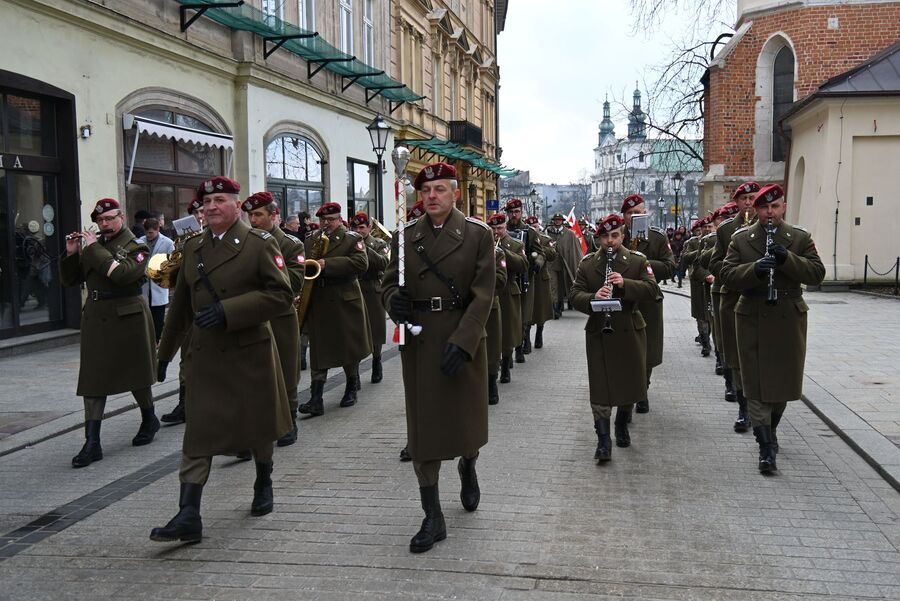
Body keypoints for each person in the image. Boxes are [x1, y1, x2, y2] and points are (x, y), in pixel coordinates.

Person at [151, 176, 293, 543]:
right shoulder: (194, 247)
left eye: (219, 200)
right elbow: (179, 308)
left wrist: (230, 310)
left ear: (236, 204)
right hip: (206, 355)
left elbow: (281, 295)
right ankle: (188, 513)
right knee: (198, 432)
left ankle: (264, 480)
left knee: (258, 425)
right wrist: (163, 354)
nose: (210, 207)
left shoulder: (258, 244)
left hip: (249, 352)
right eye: (206, 202)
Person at [382, 162, 495, 554]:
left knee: (464, 424)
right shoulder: (405, 237)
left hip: (461, 338)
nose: (431, 196)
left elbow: (483, 294)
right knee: (423, 432)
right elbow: (386, 284)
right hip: (420, 340)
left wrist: (464, 341)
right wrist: (392, 303)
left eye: (440, 190)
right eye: (425, 191)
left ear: (456, 193)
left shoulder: (477, 235)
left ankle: (468, 464)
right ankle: (432, 515)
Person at [721, 183, 825, 473]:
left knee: (782, 386)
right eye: (764, 208)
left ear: (784, 207)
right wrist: (754, 270)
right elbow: (727, 275)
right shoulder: (741, 239)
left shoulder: (800, 237)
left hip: (787, 318)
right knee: (754, 384)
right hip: (752, 316)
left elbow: (817, 273)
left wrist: (786, 259)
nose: (770, 213)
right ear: (755, 209)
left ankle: (771, 428)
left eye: (775, 207)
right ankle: (765, 448)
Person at [59, 198, 159, 468]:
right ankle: (92, 442)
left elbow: (124, 275)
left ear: (122, 217)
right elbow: (70, 280)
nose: (104, 224)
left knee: (137, 374)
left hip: (128, 316)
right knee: (92, 379)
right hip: (96, 317)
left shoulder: (137, 246)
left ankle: (149, 417)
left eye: (109, 219)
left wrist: (91, 249)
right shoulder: (96, 246)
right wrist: (71, 253)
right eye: (100, 221)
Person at [569, 214, 660, 463]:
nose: (610, 241)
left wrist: (625, 284)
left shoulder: (637, 261)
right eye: (605, 237)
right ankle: (603, 441)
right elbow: (574, 295)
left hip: (629, 328)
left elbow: (653, 290)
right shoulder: (588, 264)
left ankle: (621, 423)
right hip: (599, 331)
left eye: (615, 235)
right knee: (600, 386)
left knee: (630, 382)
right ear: (598, 238)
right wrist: (593, 297)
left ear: (623, 235)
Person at [243, 192, 306, 447]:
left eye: (258, 215)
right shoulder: (244, 243)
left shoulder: (292, 245)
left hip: (280, 316)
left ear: (274, 215)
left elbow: (294, 282)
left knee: (286, 369)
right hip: (251, 317)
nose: (253, 220)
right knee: (252, 374)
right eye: (250, 215)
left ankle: (290, 419)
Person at [297, 202, 371, 416]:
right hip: (319, 299)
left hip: (344, 299)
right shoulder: (311, 239)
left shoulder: (352, 239)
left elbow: (361, 264)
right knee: (319, 349)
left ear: (339, 219)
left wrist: (327, 265)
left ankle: (351, 387)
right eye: (323, 220)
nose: (326, 224)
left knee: (347, 347)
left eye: (330, 220)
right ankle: (316, 398)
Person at [711, 182, 760, 432]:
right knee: (738, 357)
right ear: (738, 202)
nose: (750, 203)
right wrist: (733, 274)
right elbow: (715, 262)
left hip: (762, 301)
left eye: (753, 198)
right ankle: (744, 409)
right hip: (732, 298)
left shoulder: (769, 228)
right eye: (745, 199)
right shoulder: (726, 229)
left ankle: (762, 410)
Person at [619, 194, 672, 413]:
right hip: (622, 299)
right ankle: (626, 391)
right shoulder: (615, 235)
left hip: (648, 300)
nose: (634, 216)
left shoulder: (657, 237)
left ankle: (643, 389)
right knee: (624, 348)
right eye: (630, 213)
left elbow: (670, 267)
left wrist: (643, 262)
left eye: (638, 212)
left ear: (645, 213)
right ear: (624, 216)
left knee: (646, 349)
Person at [160, 197, 205, 426]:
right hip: (187, 305)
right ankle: (184, 403)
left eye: (201, 212)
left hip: (208, 307)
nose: (199, 216)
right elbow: (173, 275)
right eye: (196, 213)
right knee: (185, 359)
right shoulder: (183, 240)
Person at [350, 212, 391, 383]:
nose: (359, 231)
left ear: (369, 228)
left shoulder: (379, 243)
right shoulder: (349, 243)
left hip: (373, 289)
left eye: (362, 227)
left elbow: (384, 263)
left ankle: (377, 361)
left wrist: (365, 249)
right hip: (355, 289)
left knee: (376, 329)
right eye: (356, 228)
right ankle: (355, 373)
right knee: (355, 332)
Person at [505, 199, 545, 361]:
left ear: (521, 212)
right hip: (508, 278)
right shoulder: (502, 230)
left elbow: (540, 253)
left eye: (517, 212)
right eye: (511, 212)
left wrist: (537, 264)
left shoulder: (530, 232)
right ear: (507, 213)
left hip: (526, 276)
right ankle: (509, 349)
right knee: (510, 315)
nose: (514, 215)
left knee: (524, 313)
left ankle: (521, 344)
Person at [489, 213, 526, 385]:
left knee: (508, 330)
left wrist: (504, 253)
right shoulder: (485, 243)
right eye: (494, 229)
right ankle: (494, 366)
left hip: (509, 291)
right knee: (494, 332)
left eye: (500, 228)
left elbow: (523, 265)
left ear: (505, 227)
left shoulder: (516, 244)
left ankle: (505, 366)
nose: (497, 232)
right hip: (493, 292)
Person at [136, 218, 175, 342]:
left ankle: (157, 340)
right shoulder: (139, 242)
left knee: (158, 317)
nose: (149, 235)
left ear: (158, 230)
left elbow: (173, 262)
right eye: (147, 233)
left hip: (159, 283)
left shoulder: (168, 243)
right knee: (145, 316)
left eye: (151, 233)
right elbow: (137, 260)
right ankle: (147, 340)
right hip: (144, 284)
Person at [681, 218, 710, 354]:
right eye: (704, 228)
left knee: (710, 313)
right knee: (701, 313)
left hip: (712, 280)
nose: (706, 230)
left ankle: (708, 337)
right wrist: (699, 250)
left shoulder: (716, 240)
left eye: (710, 227)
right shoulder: (693, 242)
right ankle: (705, 342)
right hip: (697, 280)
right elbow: (685, 257)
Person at [546, 213, 583, 318]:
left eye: (559, 220)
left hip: (564, 265)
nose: (557, 221)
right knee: (553, 286)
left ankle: (560, 306)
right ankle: (555, 309)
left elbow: (575, 249)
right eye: (556, 220)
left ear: (562, 221)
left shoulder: (570, 234)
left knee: (562, 287)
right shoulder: (548, 233)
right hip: (551, 265)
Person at [526, 216, 554, 348]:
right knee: (528, 310)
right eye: (532, 227)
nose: (534, 229)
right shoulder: (525, 237)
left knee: (541, 309)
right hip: (529, 277)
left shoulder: (545, 239)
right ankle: (526, 338)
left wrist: (541, 250)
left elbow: (553, 255)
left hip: (541, 279)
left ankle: (539, 333)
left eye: (536, 226)